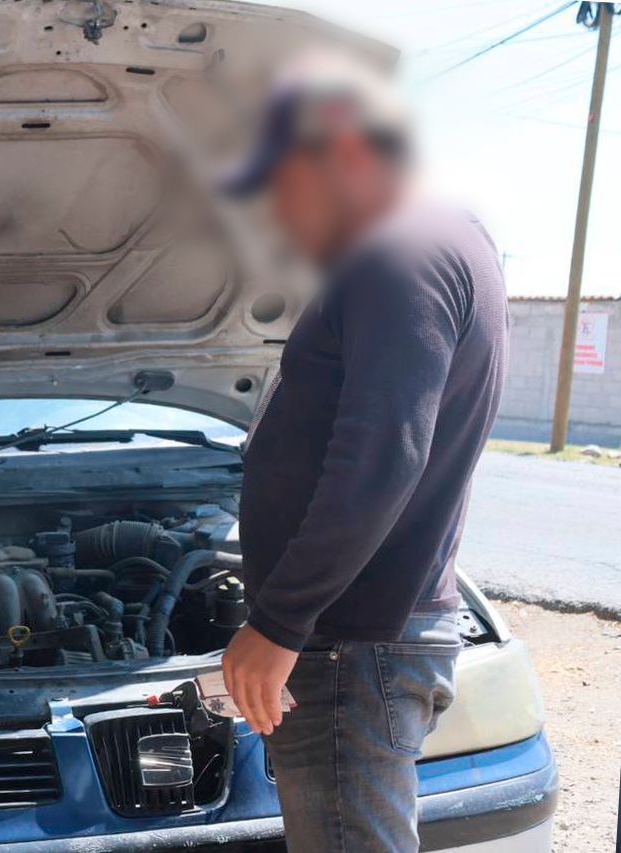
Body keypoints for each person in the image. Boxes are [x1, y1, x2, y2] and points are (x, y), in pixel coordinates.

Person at [217, 56, 508, 852]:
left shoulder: (396, 255)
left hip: (350, 644)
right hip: (373, 633)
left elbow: (383, 454)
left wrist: (278, 622)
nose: (278, 208)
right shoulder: (453, 240)